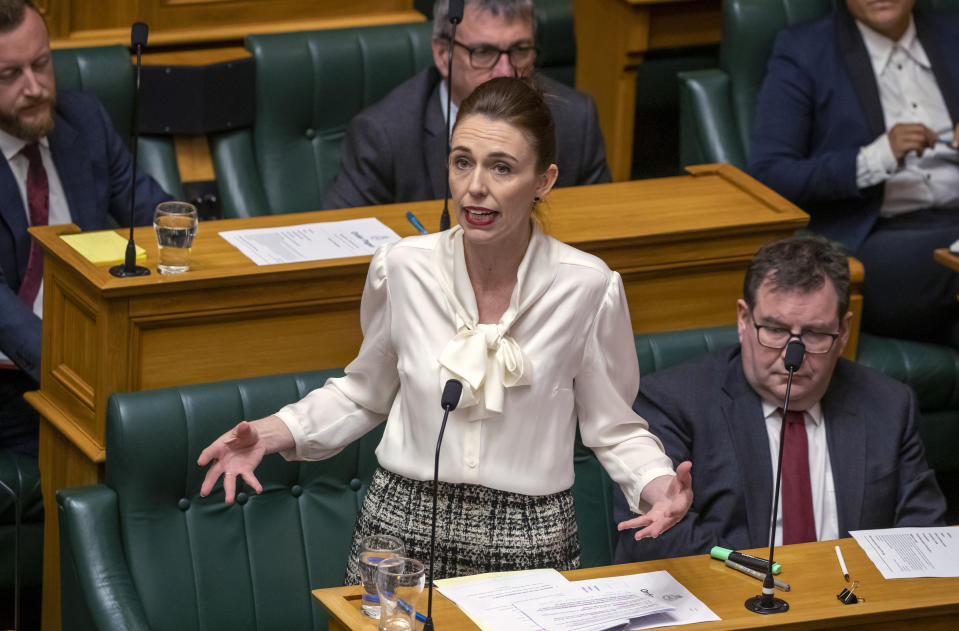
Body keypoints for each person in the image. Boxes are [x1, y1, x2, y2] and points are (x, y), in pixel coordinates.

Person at [199, 76, 691, 581]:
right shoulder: (403, 268)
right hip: (400, 524)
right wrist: (271, 432)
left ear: (544, 180)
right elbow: (363, 394)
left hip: (529, 535)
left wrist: (657, 485)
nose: (476, 186)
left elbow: (613, 427)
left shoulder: (588, 287)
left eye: (502, 167)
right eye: (462, 162)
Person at [614, 235, 946, 562]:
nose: (793, 356)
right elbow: (656, 539)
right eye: (774, 330)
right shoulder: (671, 403)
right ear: (744, 320)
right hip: (734, 606)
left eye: (814, 334)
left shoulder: (888, 404)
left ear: (843, 331)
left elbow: (922, 534)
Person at [0, 0, 171, 455]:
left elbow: (154, 214)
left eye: (41, 64)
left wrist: (196, 243)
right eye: (9, 75)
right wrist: (76, 367)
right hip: (13, 382)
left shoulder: (85, 120)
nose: (35, 88)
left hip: (100, 362)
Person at [748, 0, 959, 349]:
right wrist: (876, 158)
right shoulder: (806, 51)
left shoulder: (952, 34)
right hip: (877, 242)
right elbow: (769, 175)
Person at [321, 0, 610, 210]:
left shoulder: (575, 118)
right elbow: (342, 242)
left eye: (520, 50)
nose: (506, 71)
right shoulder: (384, 135)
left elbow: (600, 224)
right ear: (442, 53)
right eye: (483, 52)